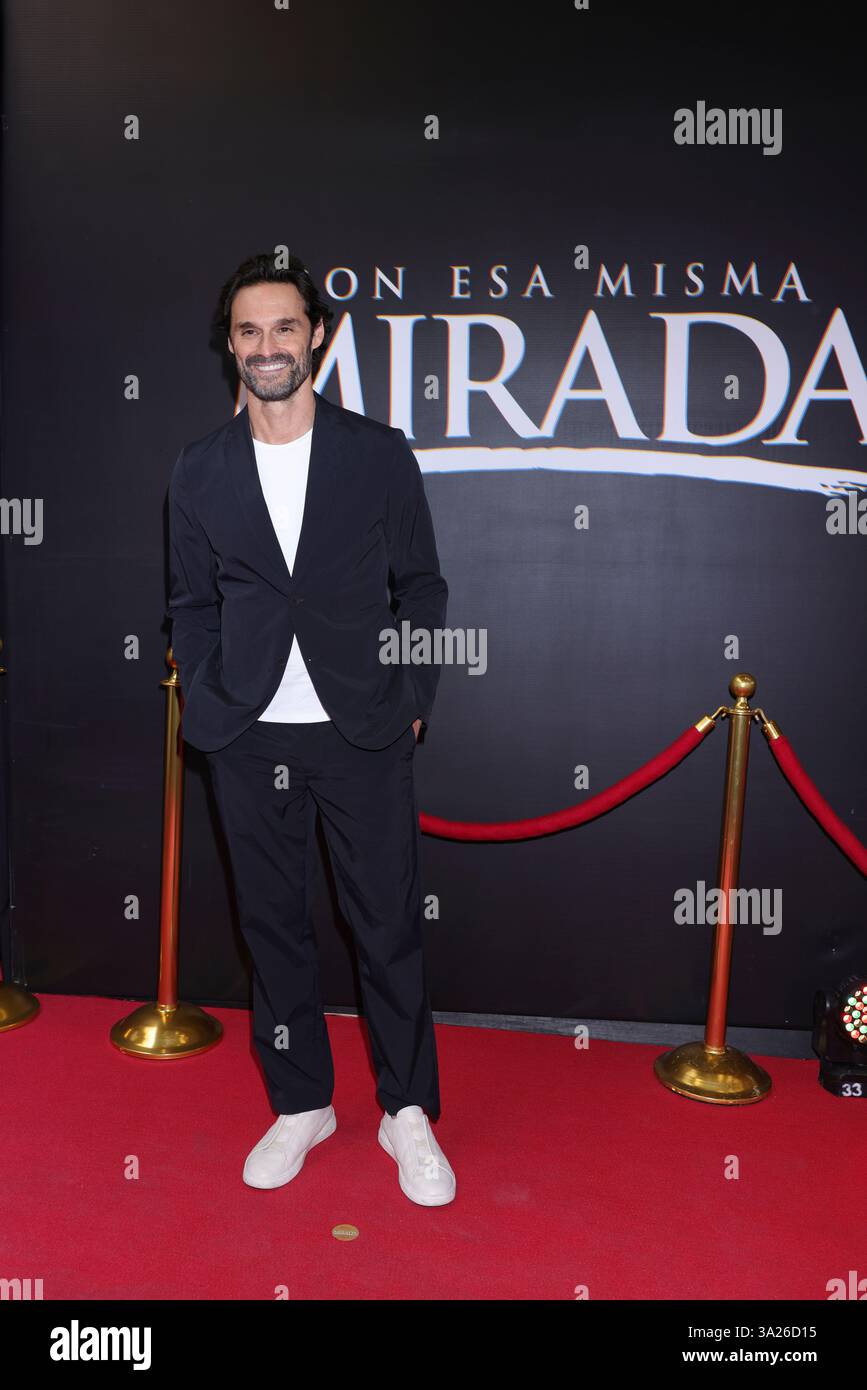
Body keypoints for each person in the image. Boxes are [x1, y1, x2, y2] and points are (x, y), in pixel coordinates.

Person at [165, 251, 454, 1206]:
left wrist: (412, 693)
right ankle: (302, 1103)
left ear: (316, 335)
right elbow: (190, 603)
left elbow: (422, 587)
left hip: (360, 727)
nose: (267, 346)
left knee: (386, 926)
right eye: (248, 331)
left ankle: (406, 1110)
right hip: (248, 737)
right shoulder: (198, 468)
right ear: (230, 345)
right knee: (272, 927)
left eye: (284, 327)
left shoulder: (377, 453)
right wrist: (208, 699)